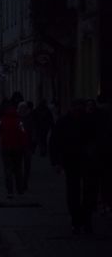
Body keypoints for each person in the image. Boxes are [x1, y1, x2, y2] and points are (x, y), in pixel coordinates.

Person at [49, 99, 101, 234]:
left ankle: (85, 220)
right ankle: (77, 220)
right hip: (71, 161)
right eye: (76, 107)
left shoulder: (89, 121)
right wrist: (56, 162)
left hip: (87, 162)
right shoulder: (64, 122)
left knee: (88, 192)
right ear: (71, 108)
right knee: (74, 192)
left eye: (80, 107)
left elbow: (98, 139)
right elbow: (55, 142)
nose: (78, 110)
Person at [0, 99, 28, 198]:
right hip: (18, 147)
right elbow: (23, 133)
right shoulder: (19, 120)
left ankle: (10, 190)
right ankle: (20, 190)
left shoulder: (3, 119)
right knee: (18, 169)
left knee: (8, 169)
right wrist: (24, 145)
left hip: (6, 147)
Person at [17, 101, 36, 190]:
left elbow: (33, 131)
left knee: (27, 166)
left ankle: (25, 182)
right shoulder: (16, 118)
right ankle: (20, 182)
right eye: (21, 108)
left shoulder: (30, 118)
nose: (22, 110)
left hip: (27, 145)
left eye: (24, 108)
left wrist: (33, 142)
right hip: (18, 145)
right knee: (18, 165)